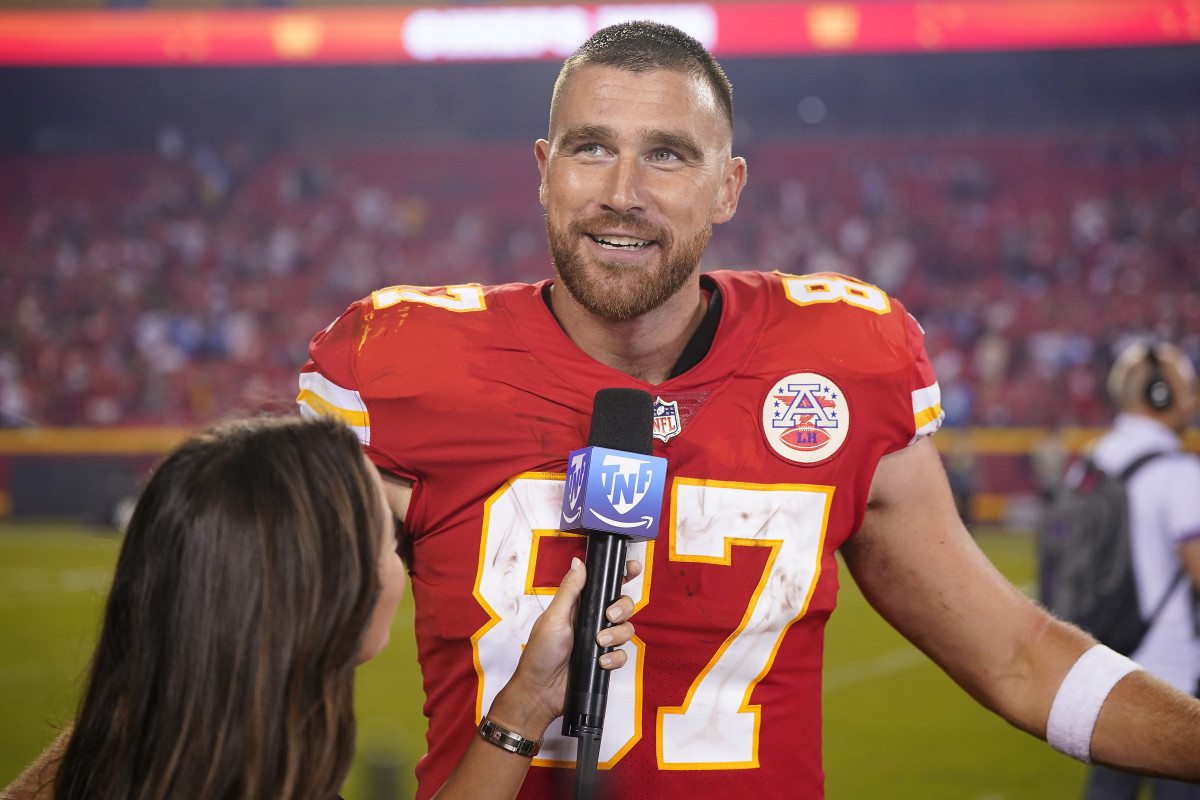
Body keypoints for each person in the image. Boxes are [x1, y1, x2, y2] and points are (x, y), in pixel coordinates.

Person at [296, 20, 1200, 799]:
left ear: (728, 186)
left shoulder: (842, 360)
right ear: (544, 171)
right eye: (591, 147)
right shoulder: (401, 363)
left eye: (667, 154)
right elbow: (245, 653)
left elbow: (1018, 657)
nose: (622, 190)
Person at [0, 415, 637, 800]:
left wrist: (527, 699)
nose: (404, 560)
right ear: (326, 585)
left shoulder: (131, 747)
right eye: (389, 537)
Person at [1079, 342, 1200, 800]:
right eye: (1185, 389)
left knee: (1107, 787)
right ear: (1161, 395)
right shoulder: (1177, 471)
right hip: (1169, 675)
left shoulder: (1089, 463)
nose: (1191, 400)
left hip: (1098, 661)